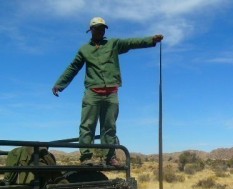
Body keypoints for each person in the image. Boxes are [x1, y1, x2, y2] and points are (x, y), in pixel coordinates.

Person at [52, 17, 164, 166]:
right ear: (91, 30)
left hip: (111, 93)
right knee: (87, 125)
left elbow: (131, 42)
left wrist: (151, 40)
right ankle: (86, 157)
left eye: (103, 28)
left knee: (109, 127)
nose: (100, 30)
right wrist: (60, 84)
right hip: (92, 92)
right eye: (97, 28)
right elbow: (73, 67)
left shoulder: (113, 44)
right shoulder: (84, 50)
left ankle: (110, 157)